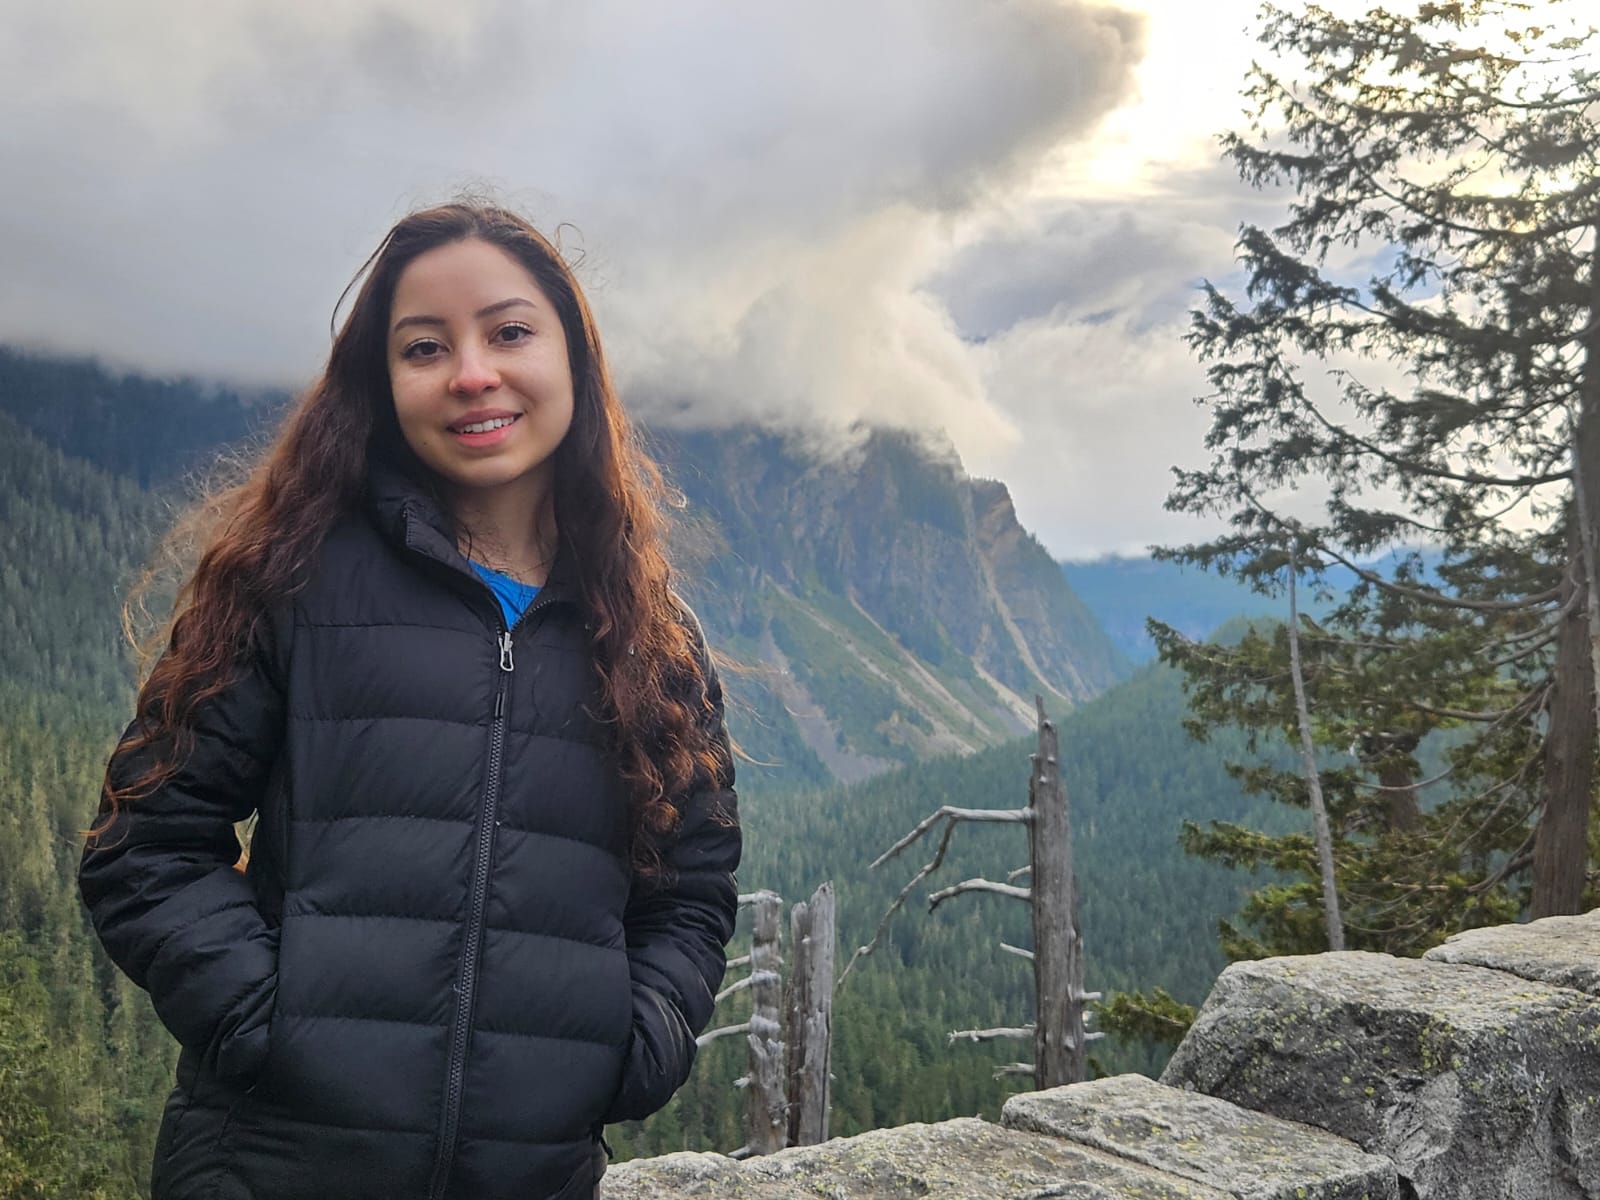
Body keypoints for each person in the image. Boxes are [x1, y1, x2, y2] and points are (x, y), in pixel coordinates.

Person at [78, 202, 741, 1200]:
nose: (472, 373)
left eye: (509, 332)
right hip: (265, 1169)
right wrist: (269, 1027)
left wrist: (627, 1049)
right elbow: (145, 846)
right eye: (425, 347)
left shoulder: (651, 637)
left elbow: (689, 893)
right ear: (382, 385)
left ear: (575, 358)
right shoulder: (291, 582)